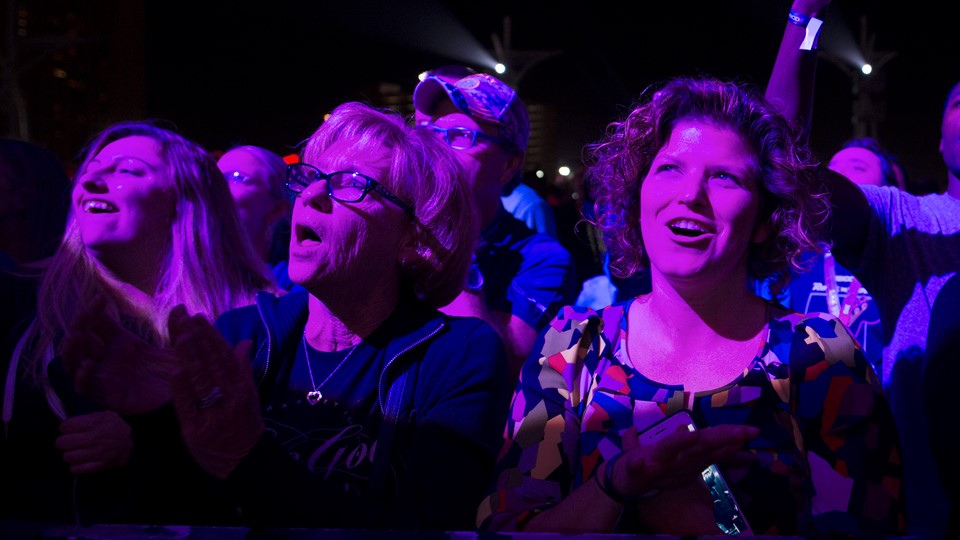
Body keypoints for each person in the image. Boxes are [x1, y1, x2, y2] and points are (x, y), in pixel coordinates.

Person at [477, 75, 904, 537]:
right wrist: (615, 485)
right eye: (669, 169)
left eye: (724, 177)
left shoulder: (818, 356)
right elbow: (508, 528)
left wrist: (715, 524)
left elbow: (877, 525)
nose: (690, 196)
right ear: (637, 194)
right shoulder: (571, 348)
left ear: (764, 218)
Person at [60, 102, 511, 530]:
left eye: (350, 182)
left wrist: (247, 454)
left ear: (414, 237)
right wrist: (153, 419)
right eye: (310, 177)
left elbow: (427, 529)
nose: (313, 194)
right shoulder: (241, 335)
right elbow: (178, 515)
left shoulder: (457, 353)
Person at [0, 121, 275, 524]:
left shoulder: (255, 323)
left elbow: (264, 481)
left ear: (188, 199)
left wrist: (145, 444)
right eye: (91, 168)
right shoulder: (17, 304)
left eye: (127, 170)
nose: (92, 179)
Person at [765, 1, 960, 535]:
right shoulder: (906, 219)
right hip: (931, 513)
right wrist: (805, 21)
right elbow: (783, 161)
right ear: (939, 138)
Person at [413, 70, 578, 380]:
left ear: (509, 164)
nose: (438, 150)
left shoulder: (542, 259)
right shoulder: (403, 229)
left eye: (461, 135)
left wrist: (452, 236)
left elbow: (506, 364)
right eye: (432, 134)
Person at [785, 137, 898, 380]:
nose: (839, 175)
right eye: (833, 167)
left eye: (858, 167)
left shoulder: (900, 261)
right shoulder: (794, 256)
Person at [216, 145, 298, 291]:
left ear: (277, 209)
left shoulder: (295, 289)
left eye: (236, 177)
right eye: (216, 178)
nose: (216, 186)